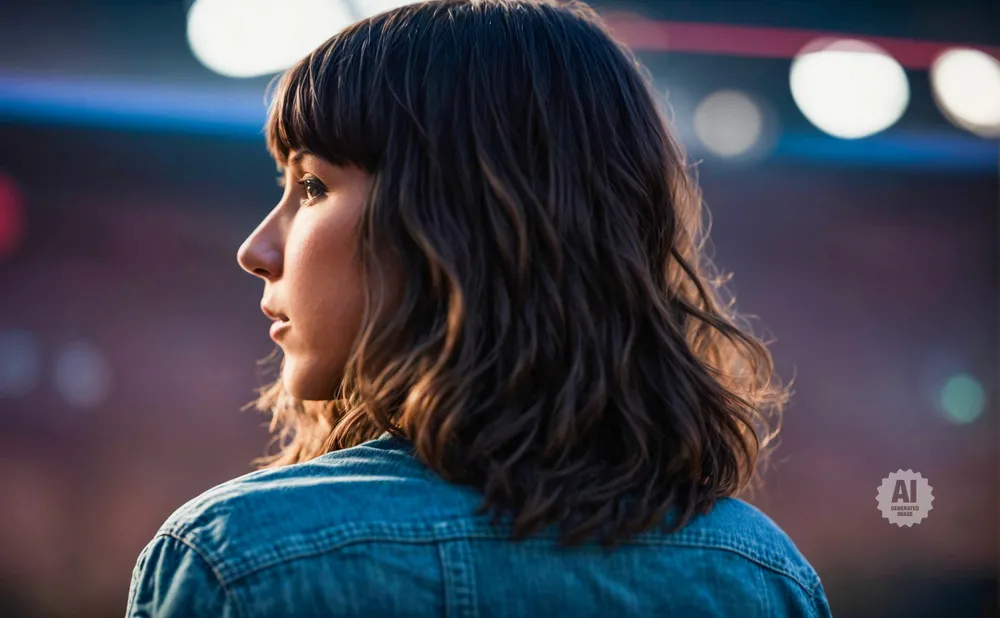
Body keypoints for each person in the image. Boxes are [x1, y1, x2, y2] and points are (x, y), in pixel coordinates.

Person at [126, 0, 833, 615]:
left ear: (453, 223)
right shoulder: (760, 577)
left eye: (310, 187)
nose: (256, 248)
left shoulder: (241, 561)